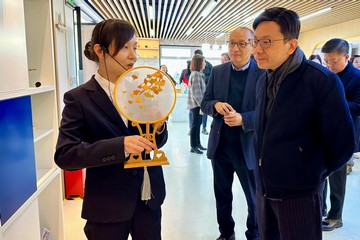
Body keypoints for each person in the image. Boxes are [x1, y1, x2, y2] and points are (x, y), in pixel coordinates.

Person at [54, 19, 168, 240]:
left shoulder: (143, 91)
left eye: (135, 47)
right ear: (100, 50)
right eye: (125, 47)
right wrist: (120, 146)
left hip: (148, 197)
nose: (133, 56)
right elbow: (65, 155)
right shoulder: (79, 99)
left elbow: (156, 142)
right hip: (107, 204)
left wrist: (159, 128)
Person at [251, 7, 354, 240]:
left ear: (291, 44)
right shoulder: (263, 79)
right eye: (256, 41)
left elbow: (342, 145)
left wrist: (309, 174)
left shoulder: (320, 81)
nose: (257, 49)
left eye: (266, 41)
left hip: (299, 195)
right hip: (264, 189)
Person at [201, 27, 265, 240]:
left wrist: (243, 119)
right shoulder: (218, 71)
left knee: (254, 199)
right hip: (220, 148)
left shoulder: (263, 73)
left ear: (252, 45)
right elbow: (205, 103)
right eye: (231, 43)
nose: (235, 49)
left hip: (248, 148)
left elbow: (269, 112)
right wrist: (216, 105)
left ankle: (254, 234)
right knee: (222, 196)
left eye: (242, 44)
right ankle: (226, 233)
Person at [321, 38, 360, 231]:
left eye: (333, 61)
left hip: (343, 135)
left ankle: (336, 216)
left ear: (346, 57)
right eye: (326, 61)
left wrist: (334, 106)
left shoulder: (357, 77)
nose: (329, 65)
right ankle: (320, 209)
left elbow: (358, 106)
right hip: (322, 134)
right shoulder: (325, 74)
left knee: (337, 177)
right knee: (320, 174)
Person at [187, 54, 207, 154]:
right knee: (195, 126)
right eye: (204, 62)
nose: (205, 64)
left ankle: (197, 144)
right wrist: (202, 105)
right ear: (199, 63)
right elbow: (197, 93)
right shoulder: (195, 74)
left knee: (198, 125)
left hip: (198, 105)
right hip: (196, 105)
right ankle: (193, 146)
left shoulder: (198, 74)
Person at [195, 49, 213, 135]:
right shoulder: (193, 66)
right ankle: (193, 129)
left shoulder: (208, 65)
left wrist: (205, 79)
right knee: (194, 116)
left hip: (205, 90)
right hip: (196, 95)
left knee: (204, 111)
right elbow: (187, 75)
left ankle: (204, 128)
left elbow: (213, 76)